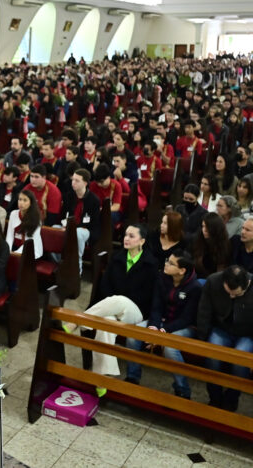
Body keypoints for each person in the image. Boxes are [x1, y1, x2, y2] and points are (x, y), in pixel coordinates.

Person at [62, 224, 157, 384]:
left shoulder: (151, 264)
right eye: (126, 235)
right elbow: (105, 286)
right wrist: (113, 305)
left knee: (119, 300)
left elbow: (147, 295)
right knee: (106, 328)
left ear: (142, 241)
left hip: (136, 311)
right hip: (112, 308)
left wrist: (120, 300)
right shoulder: (117, 257)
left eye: (132, 236)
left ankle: (78, 320)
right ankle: (102, 379)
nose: (126, 238)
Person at [197, 265, 253, 411]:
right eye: (229, 293)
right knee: (213, 356)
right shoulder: (213, 281)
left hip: (248, 334)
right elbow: (204, 311)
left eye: (236, 294)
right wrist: (201, 340)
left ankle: (231, 399)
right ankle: (215, 398)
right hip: (222, 329)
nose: (232, 296)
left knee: (240, 361)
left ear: (247, 285)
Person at [126, 248, 201, 397]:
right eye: (167, 260)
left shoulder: (195, 287)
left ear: (181, 270)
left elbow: (187, 318)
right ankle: (132, 377)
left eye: (171, 263)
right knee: (133, 335)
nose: (166, 264)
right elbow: (156, 306)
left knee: (170, 348)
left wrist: (163, 332)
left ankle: (182, 389)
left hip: (184, 326)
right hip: (161, 321)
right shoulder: (162, 277)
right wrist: (153, 328)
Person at [62, 169, 102, 272]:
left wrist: (77, 227)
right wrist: (64, 224)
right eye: (73, 180)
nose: (73, 183)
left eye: (77, 180)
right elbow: (64, 214)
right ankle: (61, 265)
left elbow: (94, 223)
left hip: (86, 229)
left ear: (85, 183)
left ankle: (77, 270)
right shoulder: (69, 196)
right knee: (53, 230)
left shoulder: (93, 200)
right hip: (69, 226)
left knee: (78, 233)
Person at [5, 189, 43, 258]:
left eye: (25, 200)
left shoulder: (36, 218)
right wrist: (8, 252)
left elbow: (30, 242)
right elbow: (9, 236)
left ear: (31, 203)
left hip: (31, 249)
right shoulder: (13, 214)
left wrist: (15, 254)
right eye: (20, 199)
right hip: (15, 247)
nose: (21, 203)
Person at [193, 213, 231, 278]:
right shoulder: (199, 240)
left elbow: (220, 273)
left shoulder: (224, 245)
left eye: (207, 227)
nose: (204, 230)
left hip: (213, 281)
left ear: (215, 228)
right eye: (203, 226)